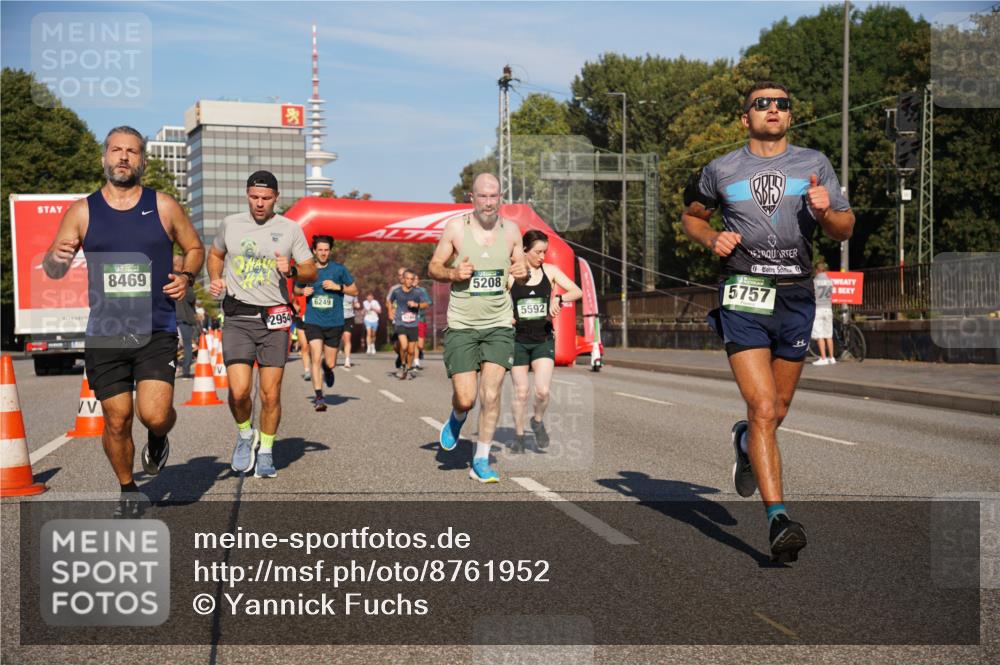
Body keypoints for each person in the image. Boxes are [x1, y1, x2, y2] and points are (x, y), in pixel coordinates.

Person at [681, 81, 854, 562]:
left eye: (782, 104)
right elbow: (691, 216)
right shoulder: (721, 169)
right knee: (761, 407)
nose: (773, 109)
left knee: (775, 412)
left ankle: (744, 441)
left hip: (796, 294)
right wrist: (710, 237)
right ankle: (778, 519)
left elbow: (846, 225)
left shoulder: (814, 164)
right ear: (746, 118)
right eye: (763, 104)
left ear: (790, 117)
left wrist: (826, 214)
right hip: (744, 293)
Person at [43, 125, 204, 516]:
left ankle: (158, 437)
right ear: (104, 158)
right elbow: (52, 268)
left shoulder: (163, 205)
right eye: (116, 150)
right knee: (117, 420)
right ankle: (128, 488)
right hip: (106, 334)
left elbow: (195, 247)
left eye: (131, 151)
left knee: (155, 414)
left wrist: (186, 276)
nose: (123, 157)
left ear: (142, 160)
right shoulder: (82, 211)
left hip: (156, 329)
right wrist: (57, 259)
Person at [208, 170, 316, 478]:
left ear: (276, 198)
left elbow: (310, 272)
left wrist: (292, 268)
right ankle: (245, 435)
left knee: (271, 394)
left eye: (266, 198)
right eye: (254, 197)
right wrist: (216, 279)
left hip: (275, 318)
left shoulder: (290, 228)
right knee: (240, 391)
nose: (259, 203)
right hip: (238, 317)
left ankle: (266, 450)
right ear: (247, 194)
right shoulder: (231, 224)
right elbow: (215, 254)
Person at [428, 173, 527, 483]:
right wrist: (454, 273)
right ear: (471, 197)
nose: (488, 202)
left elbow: (520, 270)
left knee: (492, 393)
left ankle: (481, 460)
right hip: (462, 325)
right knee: (467, 397)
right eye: (482, 196)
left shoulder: (511, 231)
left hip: (499, 323)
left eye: (494, 196)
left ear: (501, 198)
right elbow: (433, 267)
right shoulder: (457, 228)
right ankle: (457, 416)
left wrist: (522, 272)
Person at [509, 230, 582, 453]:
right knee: (521, 392)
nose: (543, 256)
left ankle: (537, 421)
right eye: (538, 252)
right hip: (518, 339)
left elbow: (576, 291)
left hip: (542, 338)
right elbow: (497, 300)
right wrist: (506, 315)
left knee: (542, 391)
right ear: (524, 250)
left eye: (545, 252)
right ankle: (519, 437)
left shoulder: (549, 271)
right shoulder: (510, 275)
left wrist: (559, 298)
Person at [293, 235, 357, 411]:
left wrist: (339, 287)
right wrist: (303, 290)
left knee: (330, 363)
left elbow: (354, 290)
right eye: (320, 250)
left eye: (326, 250)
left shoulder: (339, 269)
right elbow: (296, 289)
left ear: (330, 251)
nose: (323, 253)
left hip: (335, 322)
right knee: (315, 355)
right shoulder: (308, 270)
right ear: (314, 251)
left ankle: (327, 369)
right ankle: (319, 397)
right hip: (313, 321)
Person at [388, 269, 429, 379]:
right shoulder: (396, 292)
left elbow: (426, 304)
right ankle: (402, 365)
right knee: (404, 346)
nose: (410, 281)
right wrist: (390, 311)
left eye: (412, 279)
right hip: (400, 322)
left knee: (411, 351)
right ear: (403, 279)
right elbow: (389, 302)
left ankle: (408, 368)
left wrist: (416, 305)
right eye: (407, 278)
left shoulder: (418, 292)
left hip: (413, 324)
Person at [173, 254, 198, 379]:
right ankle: (186, 371)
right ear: (181, 265)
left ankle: (171, 368)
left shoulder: (166, 277)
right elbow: (191, 298)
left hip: (170, 317)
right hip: (184, 317)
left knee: (170, 345)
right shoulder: (184, 280)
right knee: (187, 345)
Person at [811, 260, 836, 365]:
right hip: (828, 308)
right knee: (829, 335)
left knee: (819, 334)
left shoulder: (814, 281)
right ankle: (832, 357)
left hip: (818, 308)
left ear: (817, 270)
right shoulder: (830, 281)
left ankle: (823, 358)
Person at [386, 267, 406, 369]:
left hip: (409, 319)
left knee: (405, 342)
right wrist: (390, 311)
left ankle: (405, 361)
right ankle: (400, 355)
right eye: (399, 275)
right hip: (397, 319)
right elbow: (388, 302)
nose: (401, 277)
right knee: (396, 345)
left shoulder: (413, 288)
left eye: (403, 274)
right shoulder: (394, 289)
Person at [413, 275, 432, 370]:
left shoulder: (422, 291)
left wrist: (419, 305)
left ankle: (419, 352)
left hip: (420, 318)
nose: (414, 280)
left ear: (418, 280)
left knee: (420, 344)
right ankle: (416, 362)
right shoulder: (405, 290)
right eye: (412, 278)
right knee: (413, 341)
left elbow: (429, 302)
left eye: (416, 279)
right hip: (409, 320)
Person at [340, 292, 359, 368]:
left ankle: (347, 360)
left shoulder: (352, 292)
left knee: (347, 338)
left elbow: (355, 303)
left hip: (349, 318)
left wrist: (356, 304)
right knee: (334, 338)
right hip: (337, 318)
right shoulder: (337, 290)